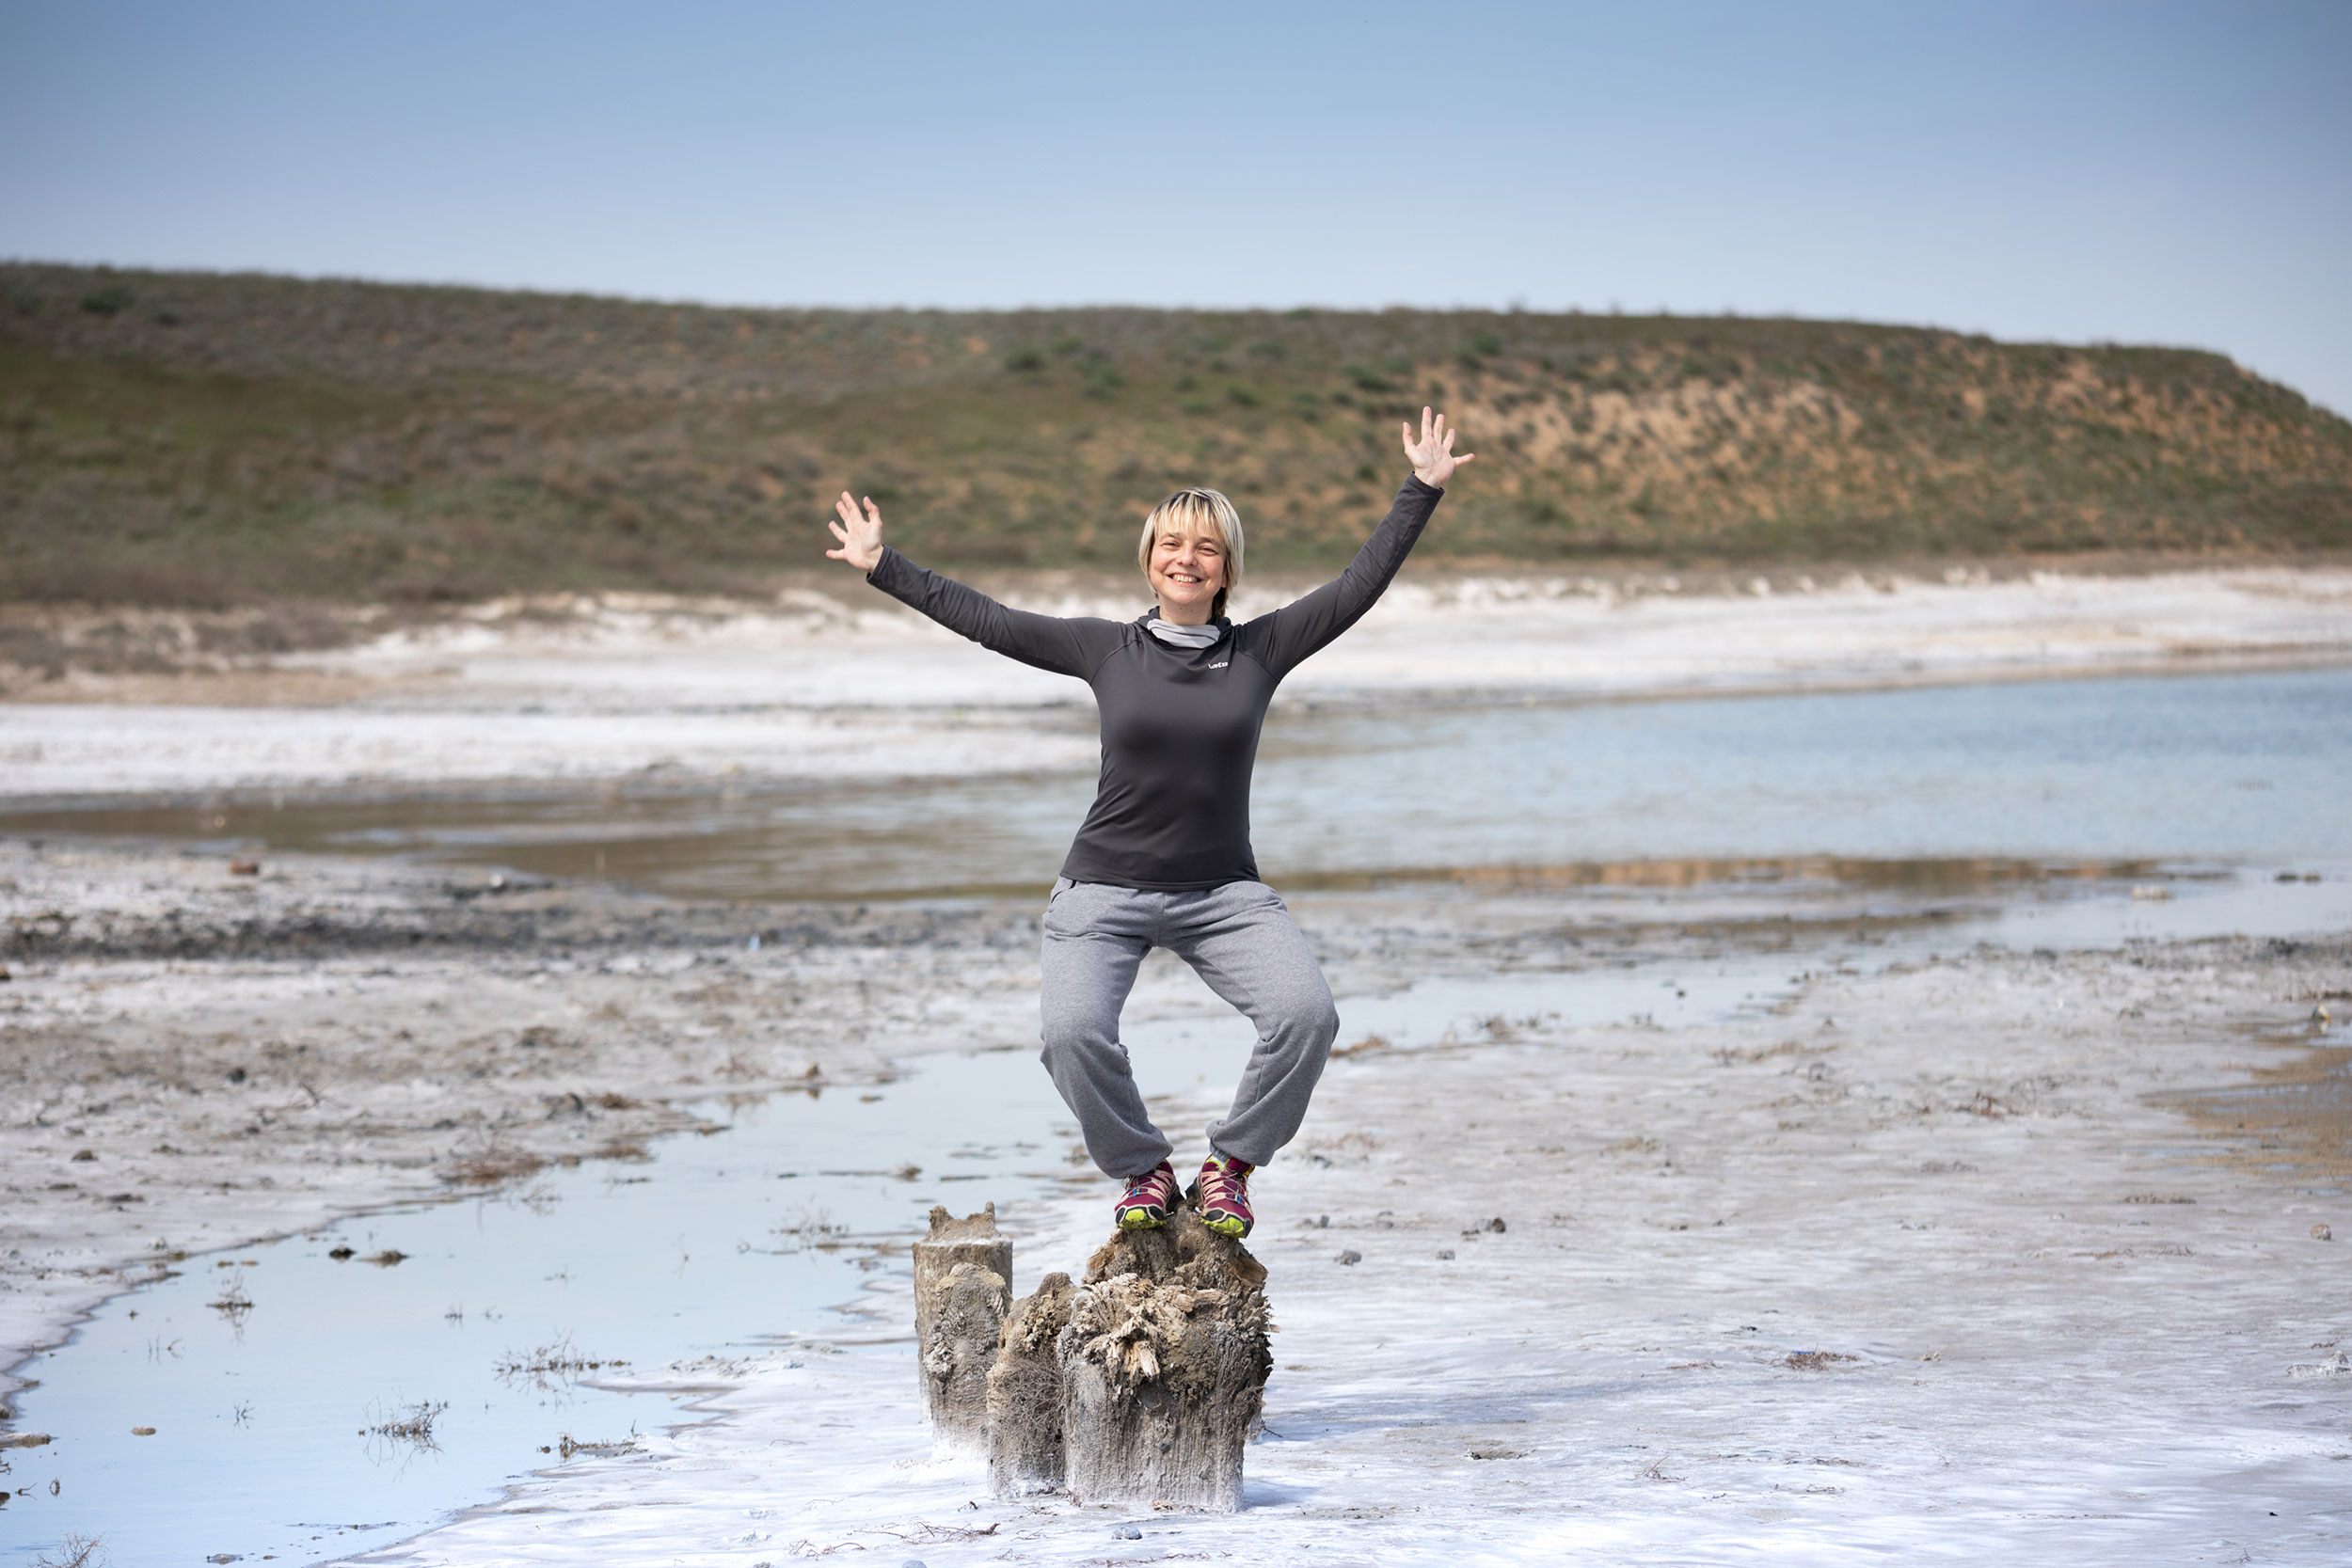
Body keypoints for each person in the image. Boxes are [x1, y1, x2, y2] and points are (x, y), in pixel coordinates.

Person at [825, 407, 1473, 1239]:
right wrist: (884, 565)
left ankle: (1229, 1168)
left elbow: (1357, 585)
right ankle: (1142, 1168)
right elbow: (988, 619)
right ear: (1150, 560)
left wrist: (1420, 489)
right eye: (1172, 543)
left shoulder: (1263, 649)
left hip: (1223, 893)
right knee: (1070, 1035)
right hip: (1102, 888)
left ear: (1226, 565)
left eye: (1205, 545)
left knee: (1307, 1016)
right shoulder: (1106, 650)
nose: (1186, 558)